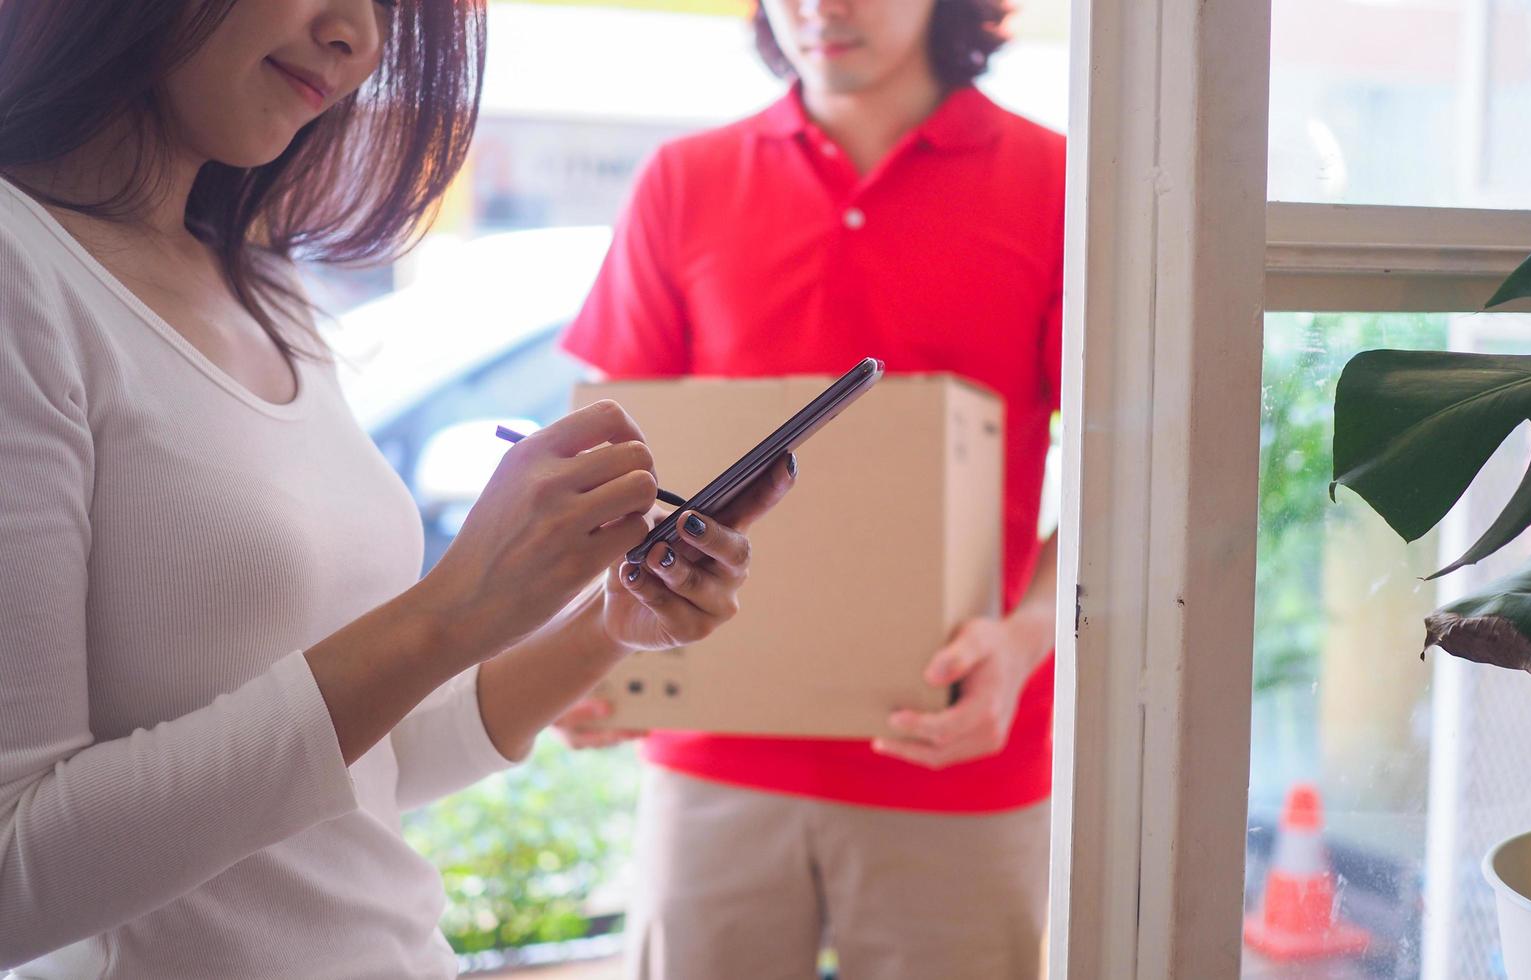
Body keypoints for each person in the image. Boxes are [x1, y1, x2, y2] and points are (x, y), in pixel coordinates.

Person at [0, 1, 796, 976]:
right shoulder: (20, 272)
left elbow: (363, 766)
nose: (363, 39)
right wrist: (456, 609)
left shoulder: (264, 289)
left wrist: (605, 627)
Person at [557, 1, 1066, 977]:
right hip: (711, 749)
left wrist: (1027, 633)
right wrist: (580, 649)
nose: (821, 8)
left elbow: (1128, 484)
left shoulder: (1060, 182)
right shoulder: (685, 180)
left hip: (955, 752)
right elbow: (604, 467)